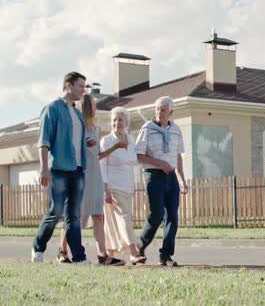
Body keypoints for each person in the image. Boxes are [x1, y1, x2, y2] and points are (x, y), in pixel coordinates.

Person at [56, 94, 124, 265]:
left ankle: (103, 255)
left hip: (95, 175)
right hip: (79, 175)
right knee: (74, 215)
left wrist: (115, 146)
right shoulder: (74, 128)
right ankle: (62, 252)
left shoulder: (97, 129)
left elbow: (97, 156)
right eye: (89, 105)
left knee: (98, 215)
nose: (91, 108)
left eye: (92, 104)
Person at [32, 72, 89, 263]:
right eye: (80, 86)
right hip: (58, 169)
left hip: (78, 169)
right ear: (68, 85)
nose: (83, 90)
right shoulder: (52, 109)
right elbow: (44, 141)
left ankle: (79, 257)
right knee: (55, 212)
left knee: (73, 216)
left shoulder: (78, 113)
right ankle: (38, 248)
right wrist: (43, 168)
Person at [135, 96, 188, 267]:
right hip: (153, 175)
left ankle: (166, 255)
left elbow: (178, 156)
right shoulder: (147, 129)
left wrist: (181, 179)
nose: (159, 112)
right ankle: (140, 245)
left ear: (171, 112)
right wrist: (159, 163)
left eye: (163, 110)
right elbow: (138, 155)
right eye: (157, 109)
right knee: (157, 214)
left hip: (171, 176)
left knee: (172, 216)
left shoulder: (176, 130)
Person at [100, 106, 147, 265]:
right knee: (123, 219)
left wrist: (147, 155)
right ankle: (134, 252)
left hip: (127, 186)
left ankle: (109, 254)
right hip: (112, 186)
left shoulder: (130, 139)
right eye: (114, 120)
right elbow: (102, 164)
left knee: (114, 221)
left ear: (126, 122)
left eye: (120, 119)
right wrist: (105, 188)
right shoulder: (107, 140)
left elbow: (133, 160)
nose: (117, 123)